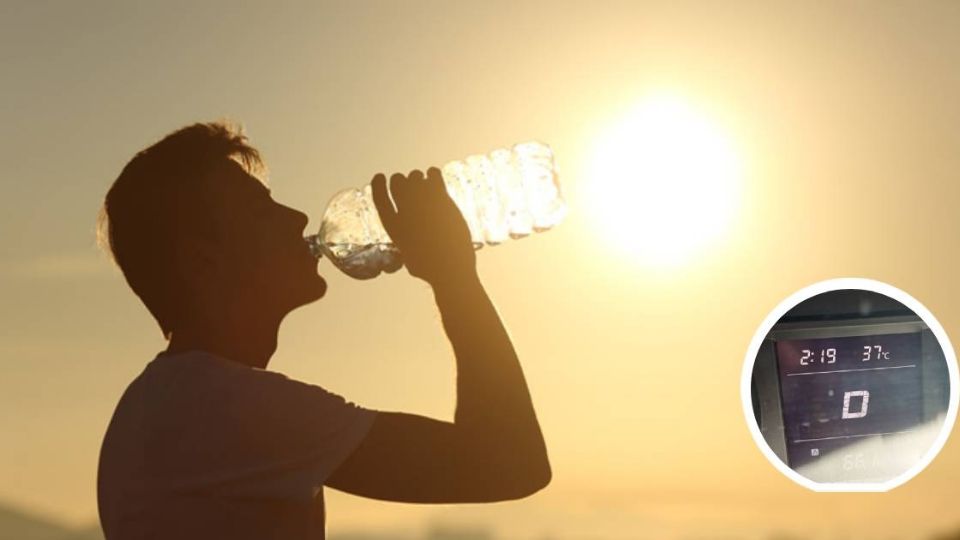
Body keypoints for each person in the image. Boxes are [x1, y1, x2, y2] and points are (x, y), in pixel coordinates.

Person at [96, 122, 551, 540]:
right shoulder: (216, 406)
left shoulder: (167, 402)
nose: (296, 217)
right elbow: (508, 462)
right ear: (203, 261)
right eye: (260, 211)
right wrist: (453, 276)